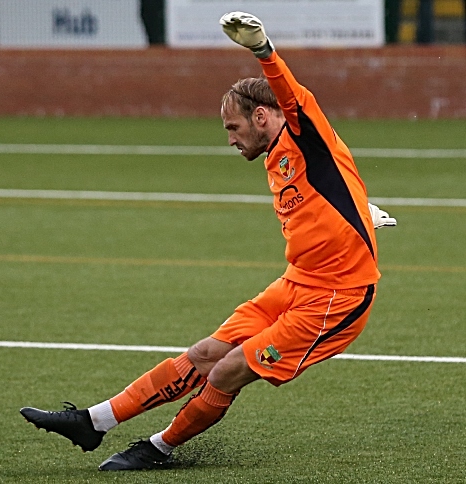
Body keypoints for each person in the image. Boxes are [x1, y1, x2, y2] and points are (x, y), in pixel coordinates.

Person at [20, 11, 396, 471]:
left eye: (233, 128)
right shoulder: (275, 155)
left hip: (338, 298)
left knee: (227, 370)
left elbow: (295, 100)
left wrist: (263, 51)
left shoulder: (303, 134)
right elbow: (327, 194)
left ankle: (159, 448)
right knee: (203, 354)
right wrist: (360, 210)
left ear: (262, 117)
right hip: (296, 283)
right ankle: (93, 421)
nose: (231, 140)